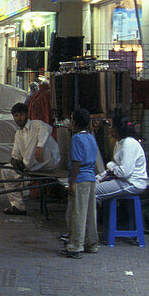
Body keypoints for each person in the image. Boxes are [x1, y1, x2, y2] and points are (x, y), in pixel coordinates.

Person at [6, 101, 60, 215]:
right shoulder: (18, 135)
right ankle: (17, 205)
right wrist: (15, 161)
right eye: (16, 116)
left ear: (26, 114)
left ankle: (25, 164)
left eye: (21, 115)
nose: (19, 118)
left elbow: (47, 129)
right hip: (32, 165)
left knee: (33, 142)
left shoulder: (37, 124)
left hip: (48, 162)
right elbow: (15, 154)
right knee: (6, 170)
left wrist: (40, 146)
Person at [61, 108, 100, 258]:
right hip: (91, 179)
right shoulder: (91, 137)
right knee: (90, 213)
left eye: (71, 120)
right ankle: (91, 244)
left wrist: (72, 183)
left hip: (80, 179)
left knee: (76, 213)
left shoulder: (76, 139)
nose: (70, 123)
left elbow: (77, 162)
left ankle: (75, 246)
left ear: (76, 122)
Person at [96, 114, 148, 203]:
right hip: (122, 180)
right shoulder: (119, 143)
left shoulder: (128, 144)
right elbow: (117, 166)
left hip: (132, 183)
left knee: (92, 192)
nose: (109, 128)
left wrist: (111, 166)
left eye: (111, 126)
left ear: (116, 129)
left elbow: (124, 172)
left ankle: (93, 217)